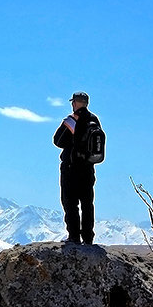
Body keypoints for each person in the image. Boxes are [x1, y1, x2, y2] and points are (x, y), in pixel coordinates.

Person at [53, 91, 99, 245]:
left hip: (71, 169)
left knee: (70, 202)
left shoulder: (72, 120)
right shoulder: (95, 120)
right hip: (88, 169)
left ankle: (74, 236)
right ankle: (88, 237)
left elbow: (57, 140)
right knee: (87, 203)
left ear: (75, 103)